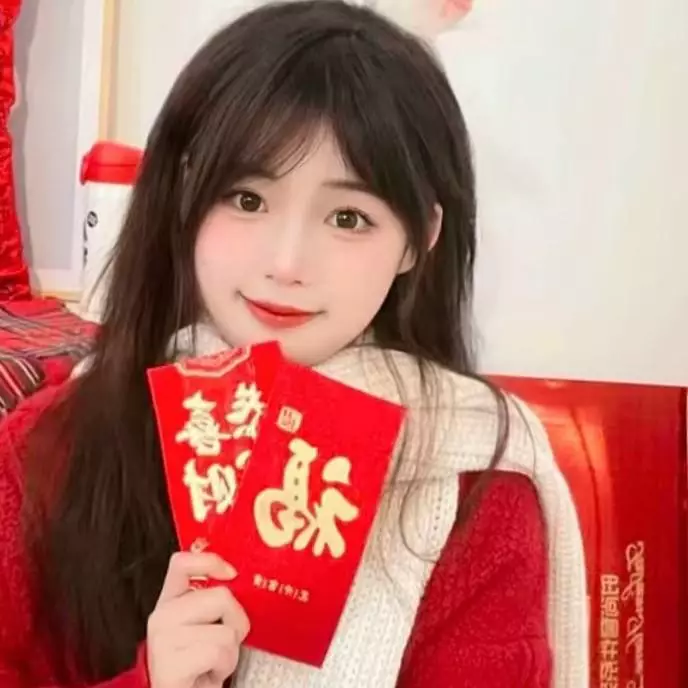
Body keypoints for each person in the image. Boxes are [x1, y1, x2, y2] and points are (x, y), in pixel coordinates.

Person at [0, 2, 588, 687]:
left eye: (349, 217)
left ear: (419, 239)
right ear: (185, 191)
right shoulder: (51, 446)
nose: (286, 263)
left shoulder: (477, 484)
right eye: (248, 199)